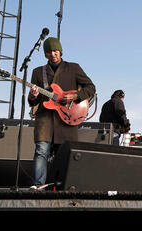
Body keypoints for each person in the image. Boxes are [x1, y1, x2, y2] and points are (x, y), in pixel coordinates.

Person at [28, 37, 96, 190]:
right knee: (41, 151)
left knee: (63, 155)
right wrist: (32, 96)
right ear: (45, 54)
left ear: (60, 51)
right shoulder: (38, 72)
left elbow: (91, 87)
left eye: (55, 50)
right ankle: (39, 187)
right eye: (49, 52)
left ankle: (61, 187)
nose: (52, 54)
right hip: (44, 119)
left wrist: (75, 96)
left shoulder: (73, 68)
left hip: (66, 119)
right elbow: (34, 101)